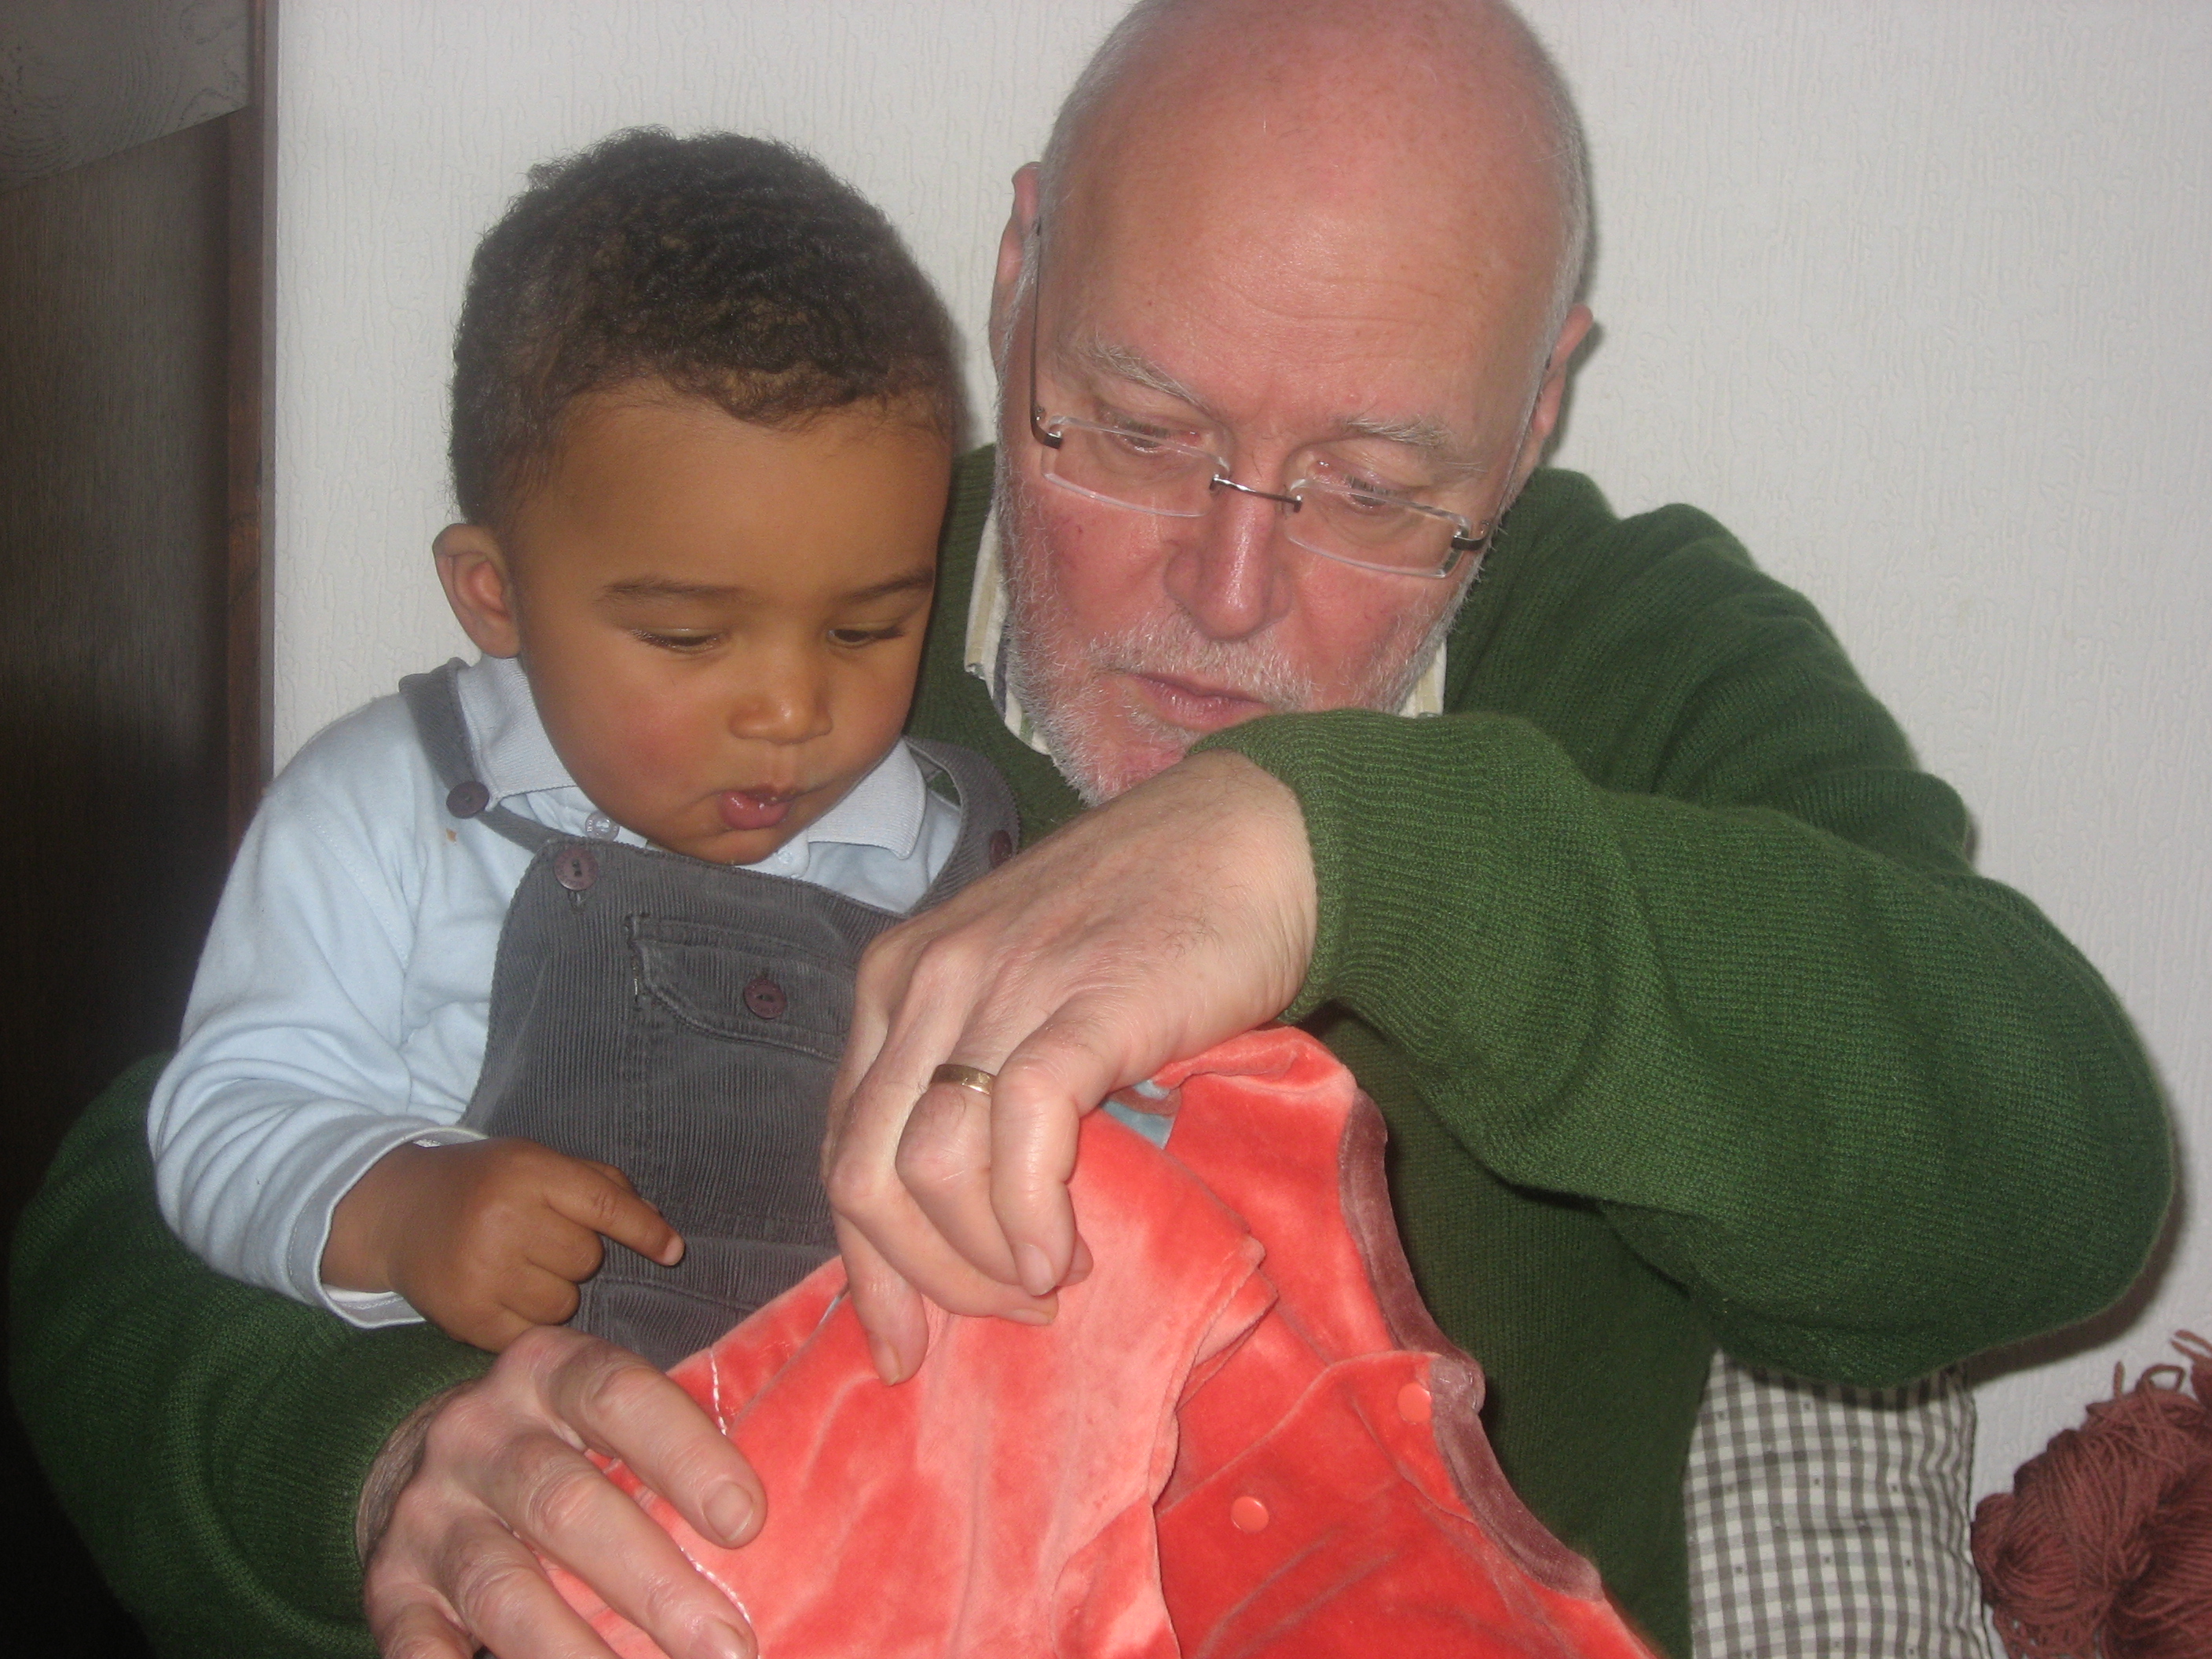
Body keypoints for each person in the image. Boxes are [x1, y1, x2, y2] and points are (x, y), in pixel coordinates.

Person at [7, 4, 2170, 1658]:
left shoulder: (1625, 649)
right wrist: (378, 1463)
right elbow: (129, 1207)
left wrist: (1334, 853)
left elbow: (2056, 1174)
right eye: (1133, 430)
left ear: (1534, 411)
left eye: (1375, 488)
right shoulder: (784, 597)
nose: (1225, 595)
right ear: (1017, 274)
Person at [147, 125, 1019, 1375]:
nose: (791, 709)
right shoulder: (387, 812)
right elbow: (224, 1113)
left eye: (866, 628)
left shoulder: (953, 853)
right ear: (495, 594)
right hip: (530, 1441)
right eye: (687, 637)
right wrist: (400, 1208)